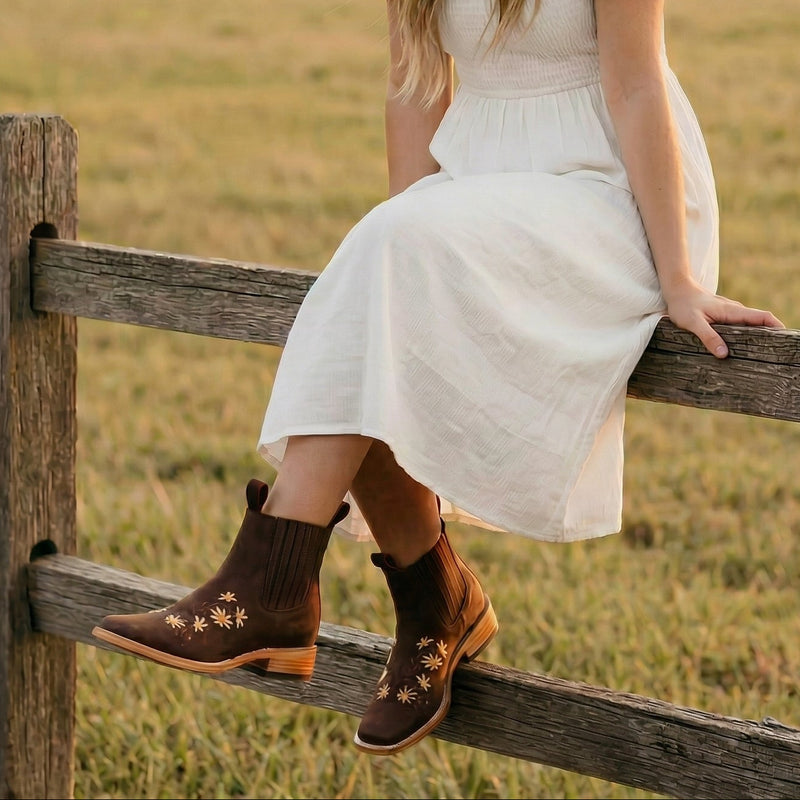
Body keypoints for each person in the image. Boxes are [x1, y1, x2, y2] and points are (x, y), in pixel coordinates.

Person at [92, 0, 784, 756]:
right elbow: (415, 85)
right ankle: (431, 603)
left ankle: (275, 587)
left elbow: (637, 86)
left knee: (394, 254)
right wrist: (399, 254)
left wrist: (680, 279)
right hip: (480, 190)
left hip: (613, 195)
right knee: (383, 293)